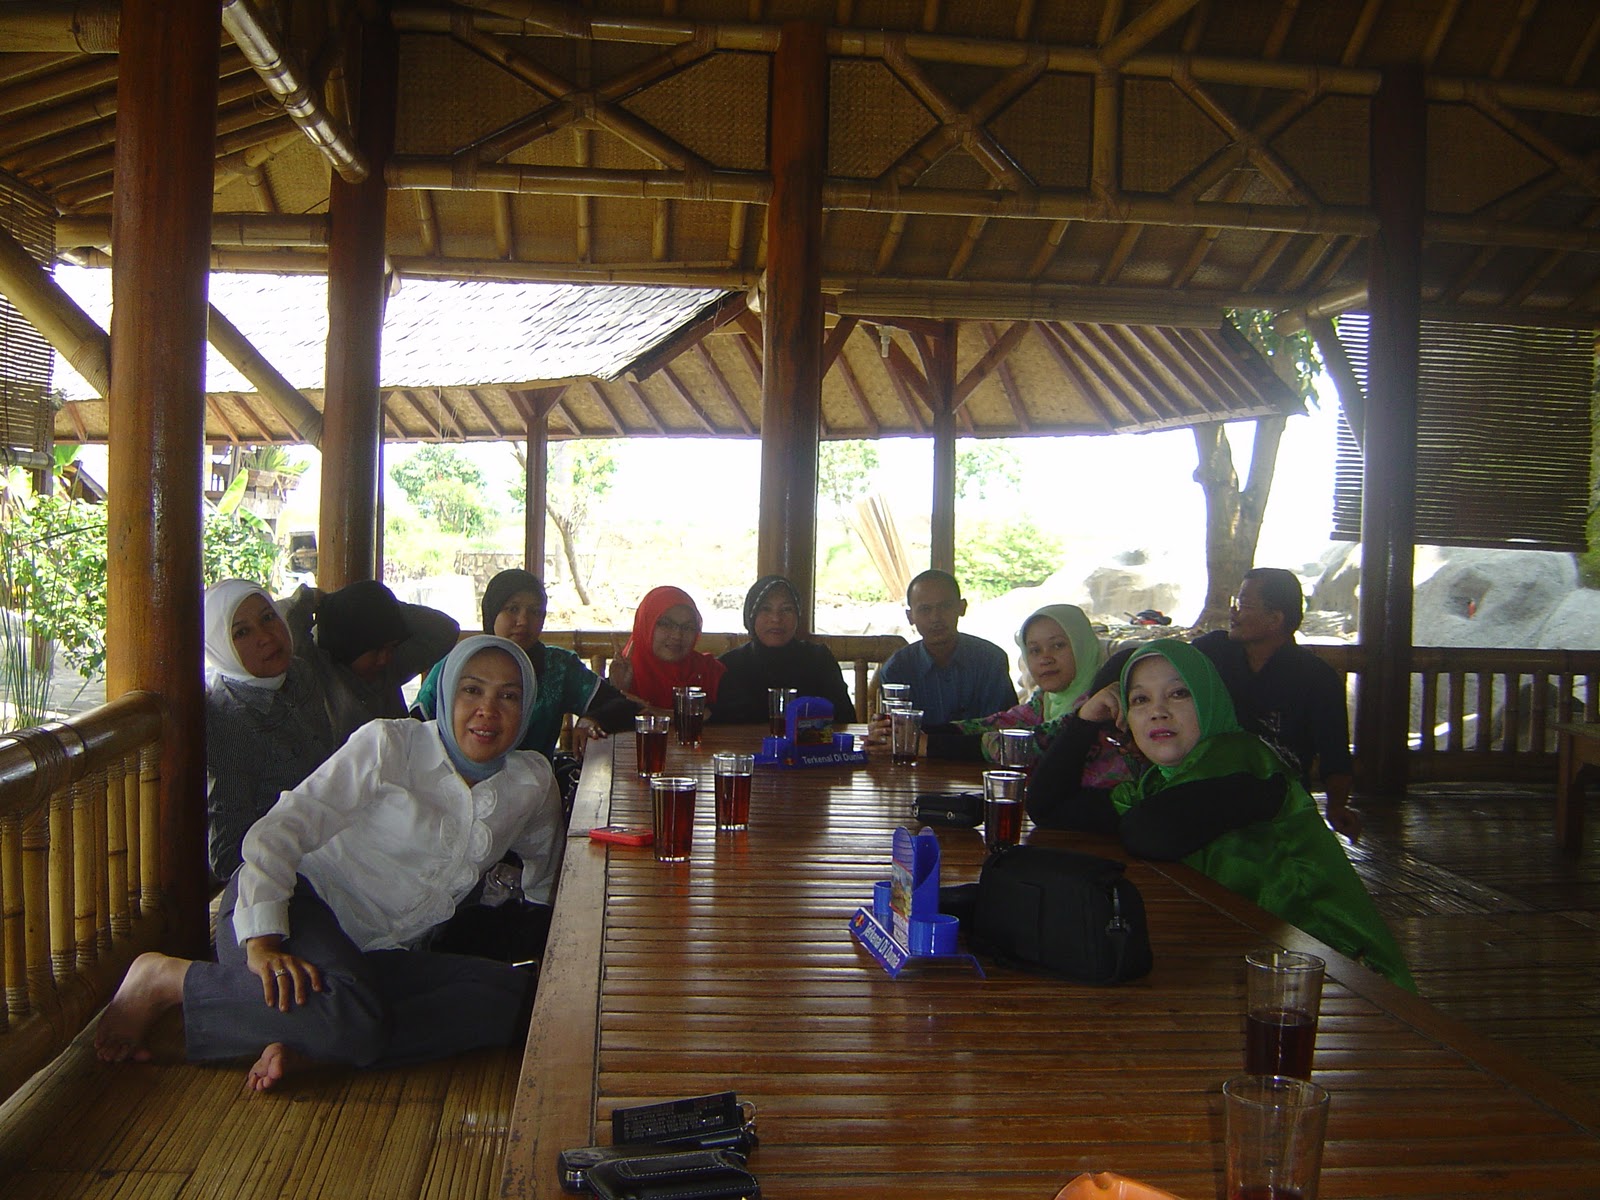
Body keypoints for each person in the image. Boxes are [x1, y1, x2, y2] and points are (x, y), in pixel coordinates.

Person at [94, 636, 564, 1089]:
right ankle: (168, 980)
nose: (488, 710)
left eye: (509, 695)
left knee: (518, 1000)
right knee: (352, 1016)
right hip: (296, 903)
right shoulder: (390, 746)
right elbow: (279, 830)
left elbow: (545, 859)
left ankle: (316, 1041)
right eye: (472, 689)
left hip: (379, 955)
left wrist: (550, 929)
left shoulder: (531, 780)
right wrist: (262, 940)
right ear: (446, 691)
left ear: (527, 709)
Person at [1028, 638, 1413, 990]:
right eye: (1140, 700)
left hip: (1338, 969)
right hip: (1257, 953)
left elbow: (1151, 832)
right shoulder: (1162, 782)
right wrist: (1084, 721)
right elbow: (1049, 806)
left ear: (1210, 698)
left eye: (1179, 694)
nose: (1158, 711)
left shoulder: (1239, 757)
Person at [1189, 568, 1360, 839]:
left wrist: (1337, 806)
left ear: (1274, 619)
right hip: (1210, 790)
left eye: (1243, 605)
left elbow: (1334, 753)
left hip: (1279, 803)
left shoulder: (1316, 677)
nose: (1233, 613)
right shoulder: (1212, 652)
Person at [413, 569, 639, 759]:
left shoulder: (557, 667)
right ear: (492, 611)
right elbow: (416, 728)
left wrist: (591, 720)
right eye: (512, 609)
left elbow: (623, 707)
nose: (523, 621)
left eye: (535, 612)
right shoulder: (457, 664)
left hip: (533, 792)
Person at [203, 579, 345, 880]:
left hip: (337, 840)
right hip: (287, 876)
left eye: (268, 617)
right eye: (242, 632)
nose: (266, 637)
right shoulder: (229, 723)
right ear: (220, 645)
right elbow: (228, 856)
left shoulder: (298, 674)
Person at [280, 579, 459, 737]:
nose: (384, 658)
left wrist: (382, 607)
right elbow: (288, 625)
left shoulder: (389, 670)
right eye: (376, 650)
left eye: (391, 647)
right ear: (350, 644)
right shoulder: (314, 673)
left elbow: (445, 629)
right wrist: (313, 598)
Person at [876, 569, 1017, 725]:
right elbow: (897, 732)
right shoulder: (897, 668)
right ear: (910, 617)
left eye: (945, 607)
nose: (936, 618)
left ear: (962, 607)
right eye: (925, 609)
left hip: (978, 749)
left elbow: (1003, 725)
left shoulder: (990, 660)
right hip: (920, 750)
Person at [711, 576, 854, 724]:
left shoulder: (819, 660)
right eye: (765, 609)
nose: (776, 618)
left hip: (808, 748)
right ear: (751, 616)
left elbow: (845, 721)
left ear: (798, 616)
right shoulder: (729, 666)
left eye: (786, 609)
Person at [608, 585, 725, 711]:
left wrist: (660, 714)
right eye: (665, 624)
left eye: (688, 627)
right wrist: (617, 692)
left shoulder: (709, 672)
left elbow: (735, 715)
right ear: (645, 625)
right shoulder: (624, 673)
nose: (677, 635)